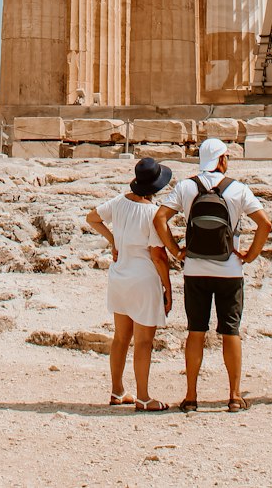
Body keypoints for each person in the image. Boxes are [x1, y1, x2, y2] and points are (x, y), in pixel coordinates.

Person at [154, 137, 272, 413]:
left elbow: (159, 219)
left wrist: (176, 251)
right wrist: (250, 255)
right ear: (222, 159)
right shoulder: (239, 189)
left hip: (195, 269)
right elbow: (265, 224)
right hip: (230, 269)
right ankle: (234, 395)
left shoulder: (186, 186)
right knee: (230, 331)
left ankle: (191, 396)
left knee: (196, 331)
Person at [86, 158, 175, 411]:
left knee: (120, 338)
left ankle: (117, 391)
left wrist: (113, 239)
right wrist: (168, 288)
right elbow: (158, 255)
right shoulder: (153, 214)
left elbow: (91, 218)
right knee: (144, 341)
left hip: (119, 275)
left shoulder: (119, 202)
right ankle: (144, 397)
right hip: (143, 279)